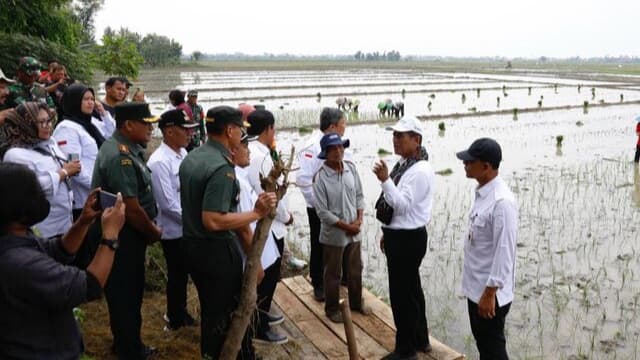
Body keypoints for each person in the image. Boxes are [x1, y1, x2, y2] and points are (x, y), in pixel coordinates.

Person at [0, 162, 126, 360]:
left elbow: (58, 250)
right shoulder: (20, 263)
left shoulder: (13, 238)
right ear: (17, 205)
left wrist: (84, 221)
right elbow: (90, 285)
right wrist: (110, 235)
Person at [179, 105, 277, 359]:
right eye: (239, 130)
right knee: (223, 314)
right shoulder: (223, 168)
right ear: (230, 130)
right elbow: (213, 220)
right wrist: (256, 213)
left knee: (211, 309)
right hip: (215, 252)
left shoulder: (193, 157)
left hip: (191, 246)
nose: (241, 136)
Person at [91, 102, 162, 359]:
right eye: (146, 123)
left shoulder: (127, 149)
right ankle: (130, 349)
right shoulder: (120, 156)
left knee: (126, 292)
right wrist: (153, 231)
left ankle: (125, 342)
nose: (151, 129)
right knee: (126, 293)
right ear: (129, 125)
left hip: (126, 233)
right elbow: (130, 208)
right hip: (124, 235)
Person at [372, 115, 434, 360]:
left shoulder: (418, 171)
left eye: (401, 136)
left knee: (401, 296)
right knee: (412, 291)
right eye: (394, 135)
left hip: (408, 240)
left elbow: (402, 206)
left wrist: (385, 180)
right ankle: (421, 340)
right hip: (401, 236)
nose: (395, 140)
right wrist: (387, 233)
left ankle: (406, 350)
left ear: (416, 140)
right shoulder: (406, 163)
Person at [456, 138, 518, 360]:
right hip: (477, 289)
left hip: (489, 294)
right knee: (485, 346)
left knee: (493, 350)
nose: (465, 164)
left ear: (486, 166)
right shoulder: (483, 192)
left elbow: (505, 251)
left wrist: (490, 292)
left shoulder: (502, 202)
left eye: (470, 161)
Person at [232, 130, 288, 345]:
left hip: (262, 247)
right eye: (245, 147)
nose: (249, 151)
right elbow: (243, 226)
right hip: (255, 253)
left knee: (266, 290)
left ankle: (260, 322)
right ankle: (258, 329)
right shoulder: (234, 180)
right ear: (233, 150)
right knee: (257, 293)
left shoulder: (241, 174)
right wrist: (256, 263)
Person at [52, 84, 116, 267]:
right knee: (83, 245)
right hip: (82, 199)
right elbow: (75, 168)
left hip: (96, 193)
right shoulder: (67, 128)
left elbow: (111, 134)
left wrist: (103, 112)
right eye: (85, 99)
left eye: (91, 99)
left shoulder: (90, 123)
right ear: (74, 101)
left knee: (95, 241)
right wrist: (98, 184)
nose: (90, 103)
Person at [147, 109, 199, 331]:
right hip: (173, 229)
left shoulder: (182, 154)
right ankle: (175, 318)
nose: (190, 135)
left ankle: (180, 312)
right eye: (185, 130)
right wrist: (194, 220)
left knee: (184, 273)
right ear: (169, 131)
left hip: (187, 227)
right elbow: (168, 204)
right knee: (177, 274)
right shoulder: (159, 162)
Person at [0, 102, 80, 239]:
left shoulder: (50, 142)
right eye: (41, 122)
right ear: (25, 123)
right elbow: (30, 190)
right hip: (44, 230)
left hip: (65, 223)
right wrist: (64, 173)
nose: (47, 125)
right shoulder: (15, 154)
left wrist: (70, 167)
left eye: (49, 120)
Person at [313, 132, 370, 323]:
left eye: (340, 147)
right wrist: (346, 226)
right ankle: (332, 309)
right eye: (333, 149)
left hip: (354, 231)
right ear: (325, 153)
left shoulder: (351, 169)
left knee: (355, 269)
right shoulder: (320, 178)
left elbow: (359, 196)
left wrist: (359, 220)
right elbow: (322, 212)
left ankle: (356, 302)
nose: (338, 152)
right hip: (334, 235)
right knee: (333, 273)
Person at [246, 109, 291, 344]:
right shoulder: (261, 157)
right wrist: (287, 217)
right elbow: (270, 193)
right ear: (268, 129)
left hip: (256, 220)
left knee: (262, 278)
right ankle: (259, 327)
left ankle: (260, 317)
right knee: (267, 277)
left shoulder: (250, 150)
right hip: (267, 225)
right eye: (273, 128)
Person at [297, 107, 349, 301]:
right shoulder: (312, 147)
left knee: (339, 241)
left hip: (337, 205)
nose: (345, 128)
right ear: (333, 126)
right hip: (319, 208)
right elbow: (303, 180)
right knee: (319, 245)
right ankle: (318, 283)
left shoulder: (339, 144)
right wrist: (319, 207)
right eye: (343, 124)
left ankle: (339, 277)